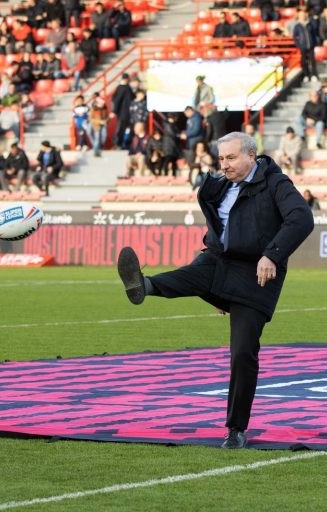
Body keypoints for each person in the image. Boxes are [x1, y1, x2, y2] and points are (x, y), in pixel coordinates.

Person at [116, 132, 314, 449]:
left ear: (252, 155)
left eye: (231, 158)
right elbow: (216, 236)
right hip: (221, 267)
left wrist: (272, 254)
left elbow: (302, 219)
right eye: (221, 159)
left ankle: (236, 430)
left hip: (258, 276)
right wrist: (216, 291)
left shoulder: (276, 183)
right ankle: (146, 285)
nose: (225, 165)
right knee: (198, 267)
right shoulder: (219, 187)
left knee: (243, 353)